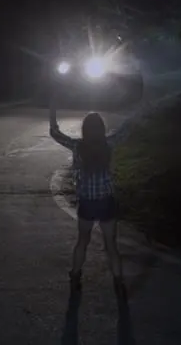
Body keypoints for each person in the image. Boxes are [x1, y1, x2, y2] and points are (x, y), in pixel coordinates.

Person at [50, 110, 131, 301]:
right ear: (102, 129)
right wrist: (138, 110)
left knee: (82, 241)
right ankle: (118, 281)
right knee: (111, 244)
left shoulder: (77, 146)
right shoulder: (108, 144)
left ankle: (75, 276)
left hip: (87, 202)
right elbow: (127, 130)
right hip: (106, 201)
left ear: (84, 129)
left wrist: (52, 114)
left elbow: (55, 134)